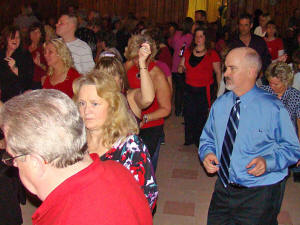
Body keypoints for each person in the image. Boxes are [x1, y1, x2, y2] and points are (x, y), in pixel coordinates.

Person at [0, 89, 153, 225]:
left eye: (13, 158)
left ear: (35, 163)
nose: (13, 165)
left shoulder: (63, 218)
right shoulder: (118, 170)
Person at [199, 47, 300, 225]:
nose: (226, 74)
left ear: (251, 71)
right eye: (225, 68)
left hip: (259, 192)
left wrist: (267, 162)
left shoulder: (272, 108)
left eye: (232, 68)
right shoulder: (220, 104)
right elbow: (207, 138)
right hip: (224, 189)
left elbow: (292, 148)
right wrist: (207, 153)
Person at [73, 71, 158, 210]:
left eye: (95, 104)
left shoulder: (130, 147)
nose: (86, 110)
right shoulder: (73, 143)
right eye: (82, 103)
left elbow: (148, 197)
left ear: (112, 107)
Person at [125, 34, 171, 172]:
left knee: (145, 166)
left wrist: (145, 118)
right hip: (130, 124)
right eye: (133, 57)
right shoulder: (128, 67)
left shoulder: (157, 74)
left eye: (137, 57)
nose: (135, 61)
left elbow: (166, 108)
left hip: (150, 125)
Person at [178, 27, 221, 147]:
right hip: (189, 88)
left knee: (201, 116)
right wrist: (181, 69)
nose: (198, 39)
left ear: (206, 38)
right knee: (188, 114)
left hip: (204, 89)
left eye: (201, 36)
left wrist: (220, 90)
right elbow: (180, 67)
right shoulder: (187, 51)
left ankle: (199, 139)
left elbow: (218, 72)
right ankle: (189, 138)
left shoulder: (212, 54)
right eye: (196, 36)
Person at [95, 43, 155, 120]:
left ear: (121, 77)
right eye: (103, 76)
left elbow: (148, 99)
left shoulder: (130, 97)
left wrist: (142, 62)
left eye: (113, 74)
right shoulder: (93, 100)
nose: (108, 80)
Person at [230, 14, 271, 80]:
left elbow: (267, 59)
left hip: (258, 78)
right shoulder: (232, 43)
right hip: (238, 79)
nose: (243, 28)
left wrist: (262, 72)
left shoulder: (259, 41)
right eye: (241, 25)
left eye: (246, 25)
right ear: (238, 26)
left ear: (251, 25)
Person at [0, 25, 34, 102]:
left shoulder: (25, 55)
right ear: (6, 39)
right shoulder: (1, 53)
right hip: (2, 95)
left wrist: (15, 69)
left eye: (18, 37)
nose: (15, 39)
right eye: (12, 37)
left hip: (18, 97)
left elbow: (28, 80)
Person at [171, 17, 194, 117]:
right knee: (183, 89)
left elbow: (171, 44)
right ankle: (182, 109)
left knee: (178, 89)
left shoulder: (176, 34)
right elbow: (183, 50)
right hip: (183, 64)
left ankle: (177, 109)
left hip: (175, 62)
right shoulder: (189, 36)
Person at [27, 22, 47, 89]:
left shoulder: (44, 49)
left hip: (38, 83)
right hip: (25, 81)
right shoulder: (24, 48)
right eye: (32, 31)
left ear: (41, 35)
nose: (35, 34)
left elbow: (50, 70)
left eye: (38, 32)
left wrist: (39, 64)